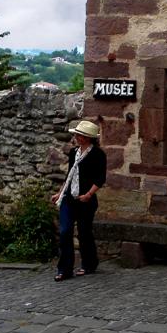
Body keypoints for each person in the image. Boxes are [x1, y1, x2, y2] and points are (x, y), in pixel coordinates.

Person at [51, 119, 106, 282]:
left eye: (79, 135)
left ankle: (89, 264)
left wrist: (88, 194)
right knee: (65, 231)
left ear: (87, 138)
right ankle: (64, 270)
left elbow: (100, 178)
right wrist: (60, 193)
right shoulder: (73, 152)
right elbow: (70, 175)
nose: (76, 137)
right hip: (69, 198)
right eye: (76, 134)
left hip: (85, 200)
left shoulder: (98, 154)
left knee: (84, 233)